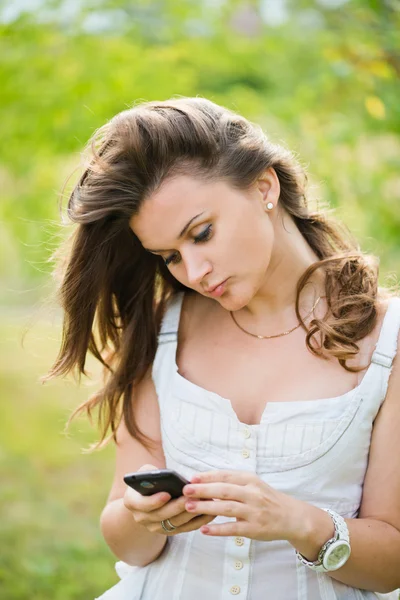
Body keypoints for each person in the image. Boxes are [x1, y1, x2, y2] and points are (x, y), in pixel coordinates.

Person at [46, 97, 400, 600]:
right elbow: (127, 544)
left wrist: (298, 522)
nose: (194, 272)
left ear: (264, 187)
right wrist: (147, 516)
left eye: (202, 234)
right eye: (169, 256)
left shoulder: (389, 341)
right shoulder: (164, 328)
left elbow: (391, 565)